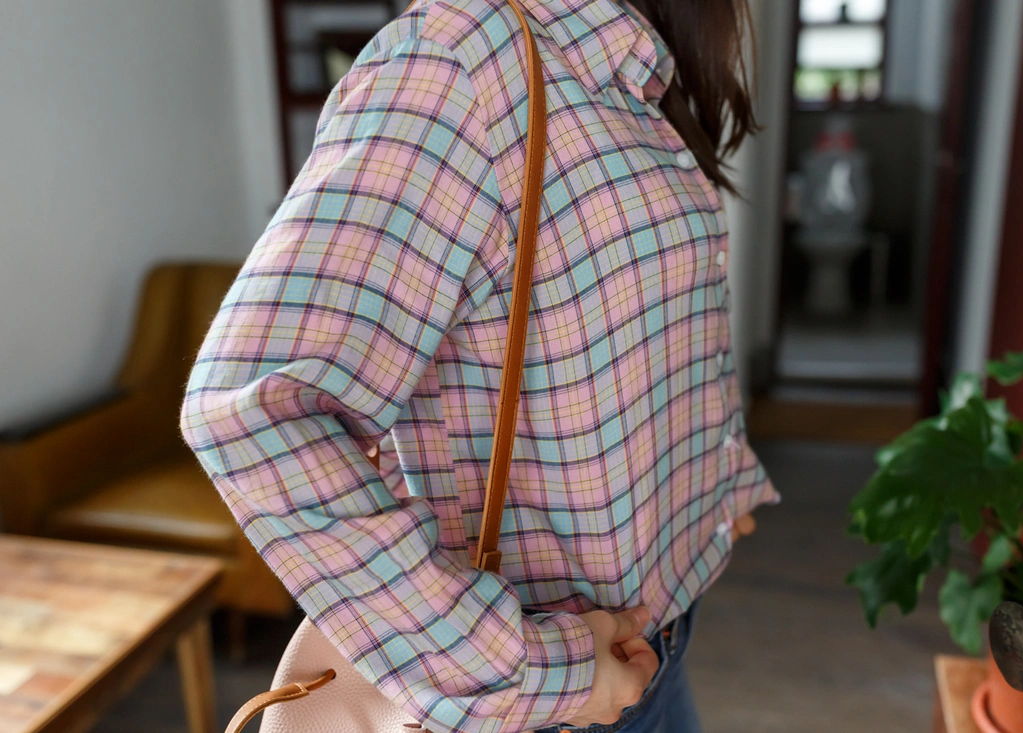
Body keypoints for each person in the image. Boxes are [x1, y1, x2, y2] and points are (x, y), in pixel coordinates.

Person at [180, 0, 778, 731]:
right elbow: (256, 411)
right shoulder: (456, 65)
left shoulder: (621, 73)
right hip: (556, 699)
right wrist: (522, 673)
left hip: (655, 643)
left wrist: (707, 493)